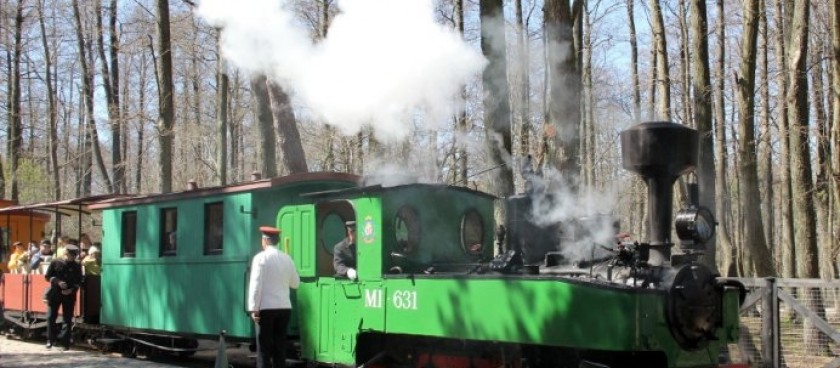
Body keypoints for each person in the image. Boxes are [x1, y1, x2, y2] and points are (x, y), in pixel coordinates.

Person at [247, 226, 300, 368]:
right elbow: (295, 284)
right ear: (277, 241)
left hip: (266, 308)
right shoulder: (287, 258)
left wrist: (253, 308)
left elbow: (256, 285)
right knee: (279, 347)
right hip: (284, 308)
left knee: (264, 349)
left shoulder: (260, 258)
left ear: (264, 240)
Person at [44, 242, 83, 350]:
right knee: (51, 317)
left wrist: (71, 290)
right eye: (71, 255)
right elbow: (47, 276)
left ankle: (65, 343)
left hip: (69, 295)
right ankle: (50, 340)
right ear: (66, 253)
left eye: (74, 256)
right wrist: (57, 281)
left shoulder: (76, 265)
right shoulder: (55, 262)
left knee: (67, 318)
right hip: (55, 293)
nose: (72, 258)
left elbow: (79, 281)